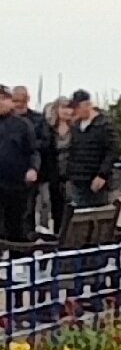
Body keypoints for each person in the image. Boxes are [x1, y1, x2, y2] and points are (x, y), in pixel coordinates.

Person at [0, 85, 42, 253]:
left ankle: (18, 262)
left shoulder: (22, 125)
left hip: (17, 184)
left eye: (4, 99)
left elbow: (34, 151)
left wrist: (33, 169)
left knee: (16, 225)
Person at [63, 90, 118, 215]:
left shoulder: (104, 124)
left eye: (78, 107)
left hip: (97, 182)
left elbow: (112, 151)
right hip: (78, 181)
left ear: (87, 105)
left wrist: (102, 175)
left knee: (99, 216)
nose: (75, 111)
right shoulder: (76, 127)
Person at [43, 98, 74, 231]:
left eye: (68, 107)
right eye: (63, 107)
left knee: (71, 209)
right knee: (57, 209)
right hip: (55, 175)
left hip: (72, 175)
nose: (66, 111)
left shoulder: (76, 130)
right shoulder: (49, 130)